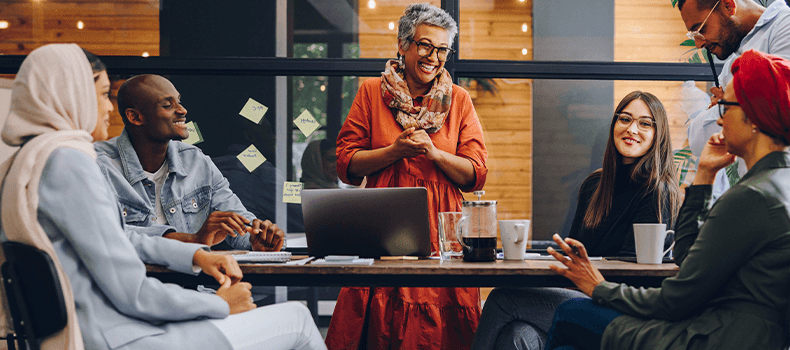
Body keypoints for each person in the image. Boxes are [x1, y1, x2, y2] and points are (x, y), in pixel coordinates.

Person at [0, 43, 324, 350]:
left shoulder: (22, 163)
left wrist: (195, 255)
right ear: (72, 95)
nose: (107, 107)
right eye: (100, 95)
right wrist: (219, 304)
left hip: (95, 330)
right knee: (296, 319)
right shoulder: (70, 162)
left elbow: (119, 237)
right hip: (119, 336)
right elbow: (132, 292)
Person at [541, 50, 790, 350]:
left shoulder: (752, 197)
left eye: (725, 105)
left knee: (570, 314)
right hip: (732, 333)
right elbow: (687, 258)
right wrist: (705, 174)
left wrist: (600, 288)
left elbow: (674, 300)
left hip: (708, 339)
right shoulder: (786, 185)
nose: (719, 118)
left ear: (753, 116)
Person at [677, 0, 790, 311]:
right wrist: (727, 110)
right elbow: (708, 140)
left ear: (728, 5)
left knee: (782, 327)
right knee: (754, 326)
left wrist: (720, 109)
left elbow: (774, 109)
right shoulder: (737, 57)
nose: (699, 42)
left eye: (700, 28)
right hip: (769, 213)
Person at [328, 4, 488, 350]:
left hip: (442, 231)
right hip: (382, 224)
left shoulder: (458, 100)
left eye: (442, 49)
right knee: (380, 321)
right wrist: (393, 152)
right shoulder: (371, 92)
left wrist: (435, 153)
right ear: (403, 45)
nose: (434, 57)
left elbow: (477, 173)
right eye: (426, 46)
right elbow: (346, 164)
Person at [471, 91, 682, 350]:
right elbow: (575, 257)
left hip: (622, 309)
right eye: (624, 119)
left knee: (503, 298)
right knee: (518, 334)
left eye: (645, 123)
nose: (632, 128)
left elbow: (638, 277)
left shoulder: (659, 190)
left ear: (657, 134)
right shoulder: (594, 184)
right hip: (582, 296)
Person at [93, 74, 285, 252]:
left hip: (195, 286)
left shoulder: (196, 161)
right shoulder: (99, 166)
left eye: (179, 101)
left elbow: (238, 220)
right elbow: (106, 235)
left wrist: (257, 237)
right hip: (134, 287)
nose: (182, 110)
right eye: (168, 105)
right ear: (135, 117)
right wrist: (192, 240)